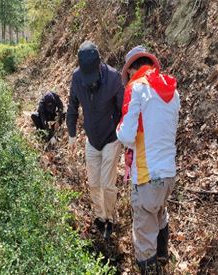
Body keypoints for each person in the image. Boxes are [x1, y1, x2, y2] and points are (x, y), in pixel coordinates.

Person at [116, 46, 180, 274]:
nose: (129, 79)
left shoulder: (137, 88)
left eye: (129, 74)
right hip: (168, 174)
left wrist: (118, 128)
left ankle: (151, 268)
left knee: (144, 235)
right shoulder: (172, 90)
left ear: (134, 69)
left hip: (146, 177)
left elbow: (126, 135)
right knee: (160, 214)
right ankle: (164, 261)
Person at [67, 41, 124, 239]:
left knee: (107, 184)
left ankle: (111, 218)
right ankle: (100, 217)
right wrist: (72, 134)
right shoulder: (76, 78)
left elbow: (121, 109)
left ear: (100, 64)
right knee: (93, 182)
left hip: (111, 137)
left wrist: (119, 131)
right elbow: (72, 106)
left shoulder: (114, 78)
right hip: (92, 138)